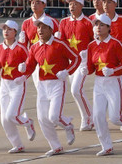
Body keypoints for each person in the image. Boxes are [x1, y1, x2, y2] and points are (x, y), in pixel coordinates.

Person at [18, 16, 79, 156]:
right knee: (42, 118)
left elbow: (76, 58)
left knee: (53, 116)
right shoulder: (34, 48)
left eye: (44, 27)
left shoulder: (60, 44)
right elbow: (30, 66)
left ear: (51, 29)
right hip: (42, 85)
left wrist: (67, 71)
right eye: (38, 27)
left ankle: (68, 126)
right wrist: (22, 73)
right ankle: (56, 146)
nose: (40, 30)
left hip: (57, 83)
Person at [87, 13, 122, 156]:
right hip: (99, 83)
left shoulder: (116, 44)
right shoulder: (92, 45)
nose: (98, 28)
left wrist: (113, 70)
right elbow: (91, 68)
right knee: (98, 116)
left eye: (102, 25)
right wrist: (85, 70)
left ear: (109, 28)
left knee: (115, 118)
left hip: (114, 82)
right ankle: (106, 146)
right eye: (96, 25)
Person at [0, 20, 36, 153]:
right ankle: (17, 144)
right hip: (4, 85)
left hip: (17, 84)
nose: (6, 32)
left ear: (15, 32)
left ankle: (28, 123)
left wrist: (23, 76)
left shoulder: (21, 48)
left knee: (11, 115)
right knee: (4, 119)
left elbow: (30, 66)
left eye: (9, 29)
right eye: (4, 29)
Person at [58, 0, 95, 130]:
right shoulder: (64, 22)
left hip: (83, 61)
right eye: (70, 4)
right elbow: (61, 43)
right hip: (71, 62)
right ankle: (89, 116)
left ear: (81, 6)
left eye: (75, 4)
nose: (72, 6)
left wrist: (90, 57)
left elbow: (95, 42)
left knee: (76, 90)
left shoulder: (88, 23)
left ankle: (88, 118)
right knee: (77, 90)